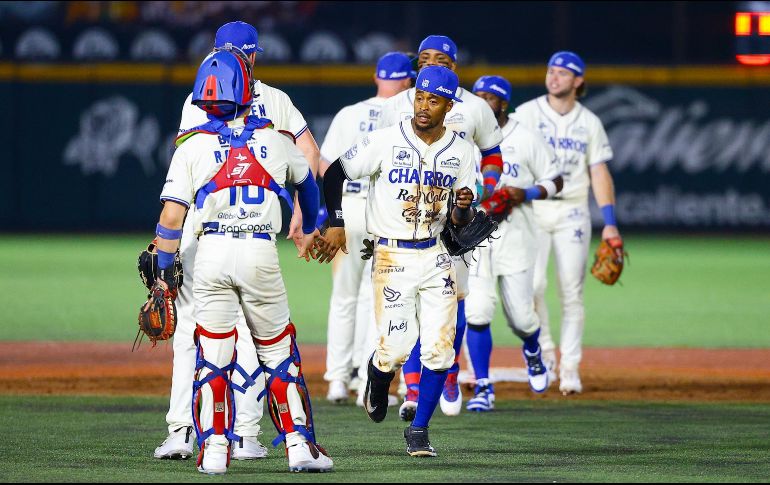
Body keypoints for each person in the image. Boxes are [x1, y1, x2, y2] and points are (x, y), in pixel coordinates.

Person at [153, 49, 332, 474]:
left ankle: (215, 450)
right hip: (259, 252)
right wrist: (308, 224)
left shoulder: (191, 147)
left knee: (212, 353)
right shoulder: (274, 139)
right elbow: (308, 183)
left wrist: (162, 274)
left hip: (211, 255)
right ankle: (298, 446)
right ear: (247, 92)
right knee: (278, 353)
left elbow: (171, 219)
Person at [319, 66, 478, 457]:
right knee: (395, 349)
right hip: (392, 254)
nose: (423, 106)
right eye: (420, 97)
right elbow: (335, 174)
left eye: (433, 100)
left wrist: (463, 208)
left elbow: (462, 219)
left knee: (440, 349)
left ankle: (419, 429)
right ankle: (378, 375)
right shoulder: (386, 139)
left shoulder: (461, 150)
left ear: (448, 106)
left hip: (437, 253)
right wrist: (336, 222)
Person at [377, 34, 504, 420]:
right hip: (406, 221)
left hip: (453, 224)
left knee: (454, 300)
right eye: (425, 57)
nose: (432, 62)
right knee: (407, 308)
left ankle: (447, 371)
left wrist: (483, 192)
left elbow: (493, 154)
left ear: (454, 66)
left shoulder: (475, 107)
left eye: (441, 58)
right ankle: (413, 386)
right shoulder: (396, 106)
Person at [512, 51, 622, 395]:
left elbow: (599, 171)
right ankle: (545, 352)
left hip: (573, 209)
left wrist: (609, 223)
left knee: (571, 291)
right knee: (532, 286)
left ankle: (570, 366)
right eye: (551, 71)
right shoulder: (526, 114)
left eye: (562, 72)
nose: (554, 76)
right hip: (533, 208)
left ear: (578, 81)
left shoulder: (589, 122)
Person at [318, 52, 414, 404]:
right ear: (409, 81)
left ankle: (336, 380)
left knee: (343, 297)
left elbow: (326, 167)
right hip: (383, 212)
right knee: (378, 298)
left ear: (376, 77)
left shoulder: (349, 113)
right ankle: (365, 383)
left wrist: (332, 213)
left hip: (348, 208)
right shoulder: (406, 115)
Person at [464, 75, 563, 412]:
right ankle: (482, 385)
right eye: (477, 95)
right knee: (477, 311)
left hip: (516, 235)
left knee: (522, 318)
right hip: (474, 235)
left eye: (489, 97)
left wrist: (528, 193)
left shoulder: (525, 137)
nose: (481, 102)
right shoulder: (462, 135)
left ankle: (532, 349)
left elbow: (556, 180)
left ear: (503, 104)